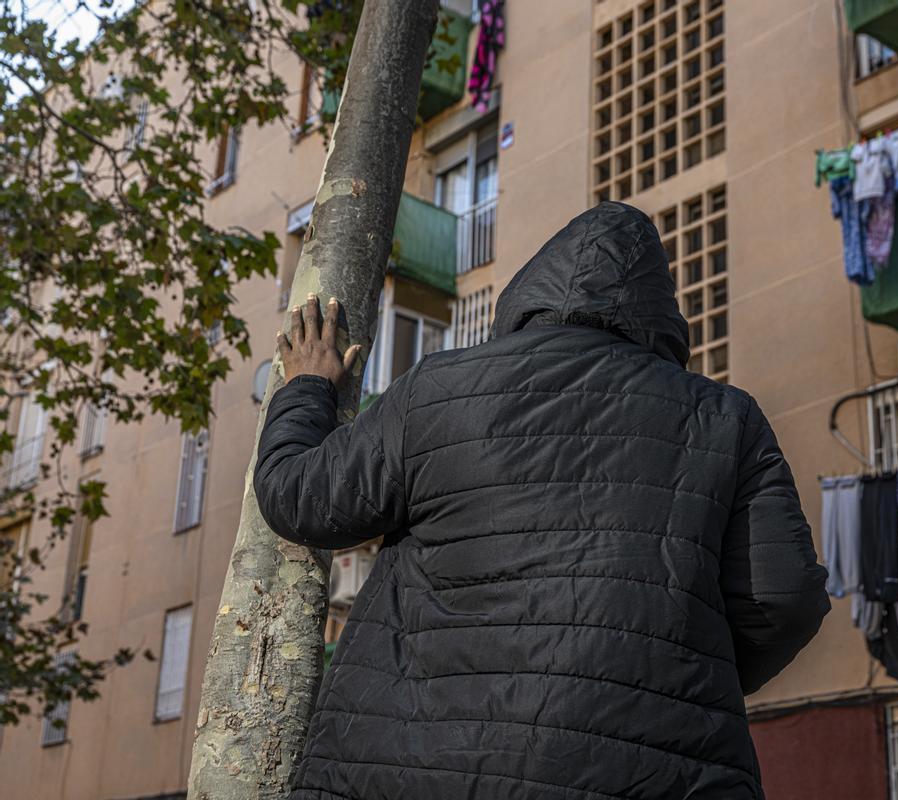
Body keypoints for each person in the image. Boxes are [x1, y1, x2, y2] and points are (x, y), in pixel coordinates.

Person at [255, 201, 830, 800]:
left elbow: (297, 496)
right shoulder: (725, 418)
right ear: (660, 312)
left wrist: (307, 387)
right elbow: (785, 600)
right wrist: (677, 667)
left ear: (532, 289)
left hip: (413, 767)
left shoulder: (439, 390)